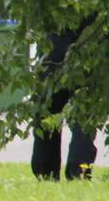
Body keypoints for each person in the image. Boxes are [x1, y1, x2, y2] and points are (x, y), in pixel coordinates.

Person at [30, 27, 98, 180]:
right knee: (84, 116)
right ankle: (80, 172)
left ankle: (44, 172)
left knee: (47, 112)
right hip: (89, 47)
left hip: (53, 46)